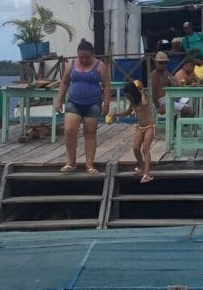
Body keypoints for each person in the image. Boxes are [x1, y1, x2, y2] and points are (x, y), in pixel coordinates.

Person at [54, 38, 111, 175]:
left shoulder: (100, 65)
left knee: (90, 133)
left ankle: (89, 165)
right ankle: (71, 162)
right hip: (74, 102)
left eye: (87, 57)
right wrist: (59, 100)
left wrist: (107, 103)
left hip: (93, 104)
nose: (84, 60)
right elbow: (64, 83)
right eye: (81, 57)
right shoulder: (71, 65)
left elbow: (106, 85)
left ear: (92, 55)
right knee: (69, 130)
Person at [123, 80, 156, 183]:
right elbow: (127, 112)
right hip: (140, 127)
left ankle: (147, 174)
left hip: (149, 127)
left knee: (145, 150)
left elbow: (145, 104)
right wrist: (114, 115)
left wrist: (141, 92)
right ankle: (142, 168)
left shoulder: (144, 97)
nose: (127, 97)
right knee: (135, 148)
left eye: (128, 94)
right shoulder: (133, 102)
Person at [149, 51, 194, 118]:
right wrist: (158, 107)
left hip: (171, 97)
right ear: (156, 63)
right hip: (162, 101)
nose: (162, 65)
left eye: (164, 63)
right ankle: (174, 125)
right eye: (160, 63)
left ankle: (176, 124)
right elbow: (154, 92)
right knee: (189, 111)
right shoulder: (154, 75)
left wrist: (174, 82)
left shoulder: (166, 73)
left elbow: (175, 86)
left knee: (193, 104)